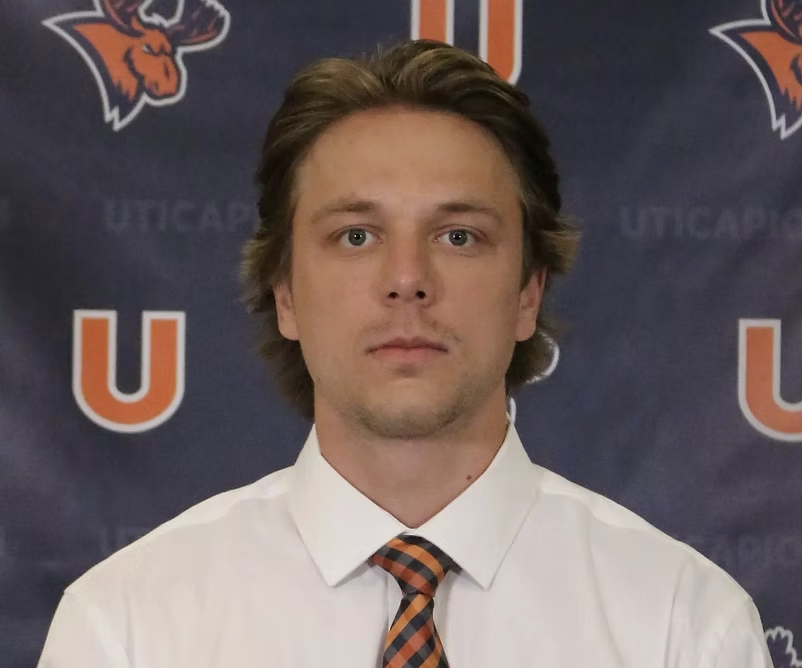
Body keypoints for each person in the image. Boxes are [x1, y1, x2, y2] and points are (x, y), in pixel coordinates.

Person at [38, 39, 772, 667]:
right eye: (356, 236)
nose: (408, 280)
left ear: (527, 292)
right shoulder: (128, 627)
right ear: (285, 292)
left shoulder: (683, 627)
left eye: (459, 236)